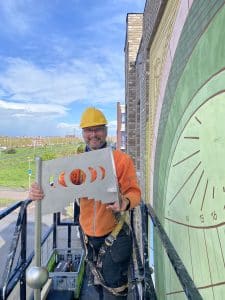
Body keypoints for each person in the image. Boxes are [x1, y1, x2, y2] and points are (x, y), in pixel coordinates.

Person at [29, 107, 141, 299]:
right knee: (95, 279)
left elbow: (134, 192)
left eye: (97, 129)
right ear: (83, 133)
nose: (93, 134)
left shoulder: (121, 161)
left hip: (114, 234)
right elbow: (62, 182)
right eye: (88, 130)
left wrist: (125, 201)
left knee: (114, 290)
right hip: (87, 235)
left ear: (106, 131)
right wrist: (42, 190)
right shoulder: (78, 163)